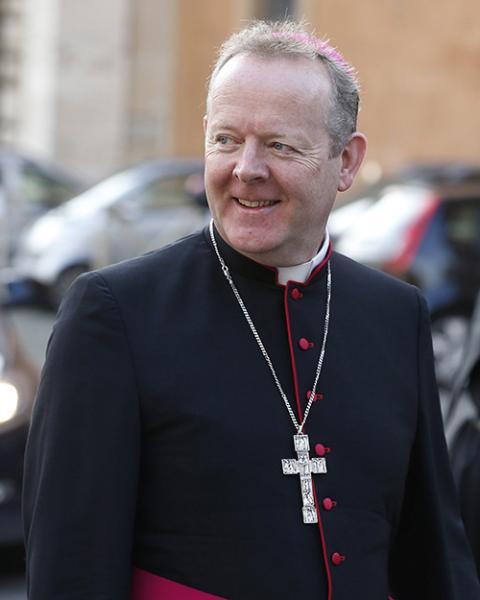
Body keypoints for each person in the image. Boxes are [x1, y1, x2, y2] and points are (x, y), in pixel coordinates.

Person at [22, 19, 480, 600]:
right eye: (226, 139)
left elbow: (432, 550)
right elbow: (72, 567)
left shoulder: (395, 313)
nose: (247, 168)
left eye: (281, 145)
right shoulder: (115, 313)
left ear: (346, 161)